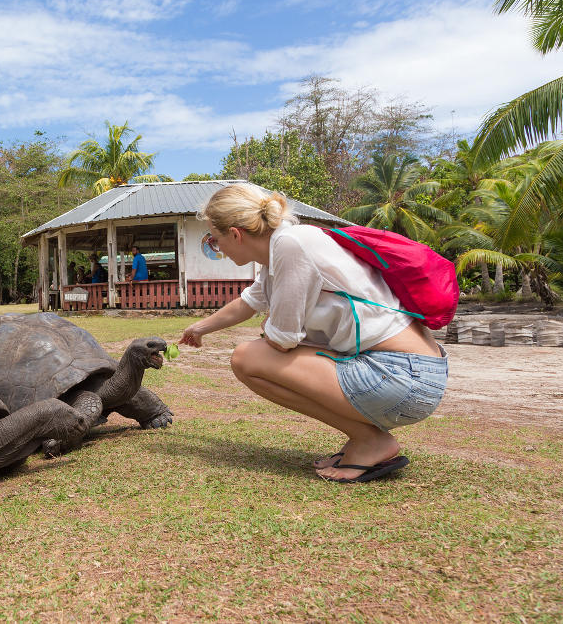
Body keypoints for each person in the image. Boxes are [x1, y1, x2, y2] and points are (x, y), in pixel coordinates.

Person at [179, 184, 448, 483]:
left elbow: (282, 340)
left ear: (236, 234)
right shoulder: (283, 246)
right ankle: (364, 440)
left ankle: (370, 440)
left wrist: (269, 331)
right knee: (255, 352)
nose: (219, 249)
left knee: (247, 358)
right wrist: (199, 328)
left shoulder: (291, 246)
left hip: (401, 377)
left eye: (215, 241)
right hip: (412, 373)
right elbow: (248, 303)